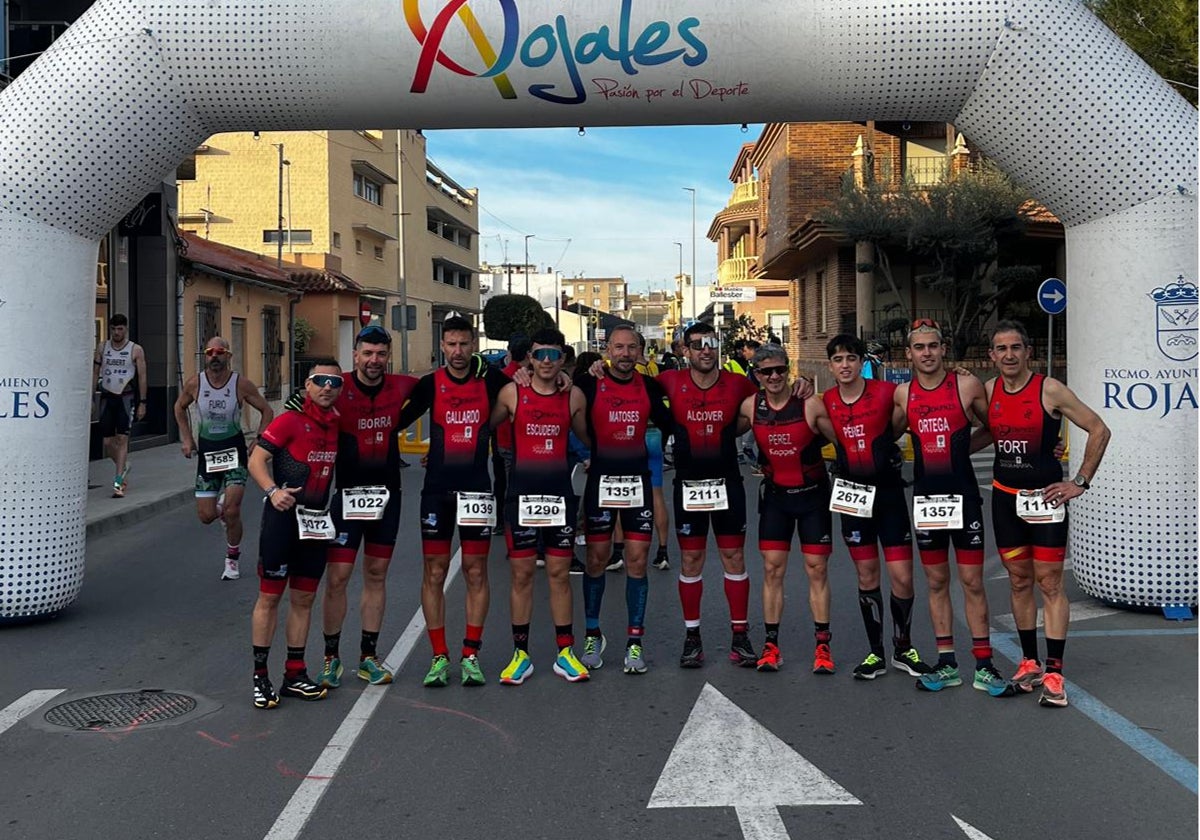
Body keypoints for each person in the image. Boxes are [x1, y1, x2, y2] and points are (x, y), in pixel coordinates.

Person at [974, 320, 1110, 708]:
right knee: (1018, 581)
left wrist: (1079, 482)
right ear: (992, 356)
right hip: (1005, 500)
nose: (1009, 355)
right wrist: (946, 453)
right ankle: (1029, 662)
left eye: (1016, 347)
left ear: (1028, 351)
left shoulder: (1049, 389)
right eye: (1001, 349)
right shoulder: (989, 390)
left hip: (1046, 501)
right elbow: (989, 433)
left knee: (1050, 583)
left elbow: (1099, 429)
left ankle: (1054, 670)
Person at [396, 316, 511, 687]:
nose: (458, 351)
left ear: (473, 345)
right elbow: (392, 418)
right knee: (435, 571)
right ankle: (439, 656)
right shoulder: (430, 384)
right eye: (451, 344)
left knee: (476, 571)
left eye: (464, 344)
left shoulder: (491, 380)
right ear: (442, 346)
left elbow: (527, 390)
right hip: (437, 492)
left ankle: (471, 654)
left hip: (477, 490)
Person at [892, 320, 1006, 693]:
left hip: (965, 497)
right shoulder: (903, 394)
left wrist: (961, 449)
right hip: (927, 500)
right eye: (919, 347)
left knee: (972, 582)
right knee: (937, 582)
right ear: (909, 353)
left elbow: (996, 427)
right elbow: (885, 432)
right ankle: (946, 664)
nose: (927, 353)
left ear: (943, 349)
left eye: (933, 346)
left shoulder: (966, 385)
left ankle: (984, 664)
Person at [812, 334, 932, 680]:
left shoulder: (885, 393)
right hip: (852, 495)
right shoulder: (826, 401)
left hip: (889, 493)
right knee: (866, 575)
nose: (845, 365)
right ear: (830, 365)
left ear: (862, 361)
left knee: (903, 577)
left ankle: (903, 647)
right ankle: (875, 652)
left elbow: (902, 422)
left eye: (852, 358)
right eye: (838, 360)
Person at [310, 324, 420, 690]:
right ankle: (330, 658)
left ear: (389, 357)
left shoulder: (403, 386)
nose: (374, 361)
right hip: (346, 497)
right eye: (367, 353)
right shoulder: (335, 386)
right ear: (355, 355)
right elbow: (300, 408)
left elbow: (450, 384)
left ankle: (368, 657)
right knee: (338, 578)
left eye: (381, 354)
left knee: (376, 575)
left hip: (388, 496)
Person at [489, 327, 591, 684]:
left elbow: (588, 437)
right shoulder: (511, 392)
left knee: (560, 576)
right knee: (521, 576)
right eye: (539, 355)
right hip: (521, 498)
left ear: (563, 358)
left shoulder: (573, 395)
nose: (547, 362)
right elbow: (479, 422)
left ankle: (566, 652)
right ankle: (521, 654)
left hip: (559, 496)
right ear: (529, 359)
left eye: (553, 355)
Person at [656, 323, 759, 668]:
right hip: (688, 485)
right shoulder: (668, 382)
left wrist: (802, 386)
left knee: (734, 559)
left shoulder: (738, 383)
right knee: (690, 562)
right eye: (697, 345)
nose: (705, 350)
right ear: (684, 350)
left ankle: (740, 636)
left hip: (727, 483)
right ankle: (692, 637)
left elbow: (769, 400)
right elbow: (628, 390)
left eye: (711, 344)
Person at [572, 324, 673, 674]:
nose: (625, 354)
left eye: (632, 348)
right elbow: (569, 413)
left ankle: (634, 641)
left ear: (640, 352)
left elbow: (672, 420)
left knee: (637, 561)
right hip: (601, 482)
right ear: (607, 350)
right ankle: (592, 633)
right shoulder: (589, 382)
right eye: (618, 347)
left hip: (638, 484)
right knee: (596, 560)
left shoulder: (649, 386)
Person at [246, 359, 343, 709]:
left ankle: (295, 673)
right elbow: (256, 461)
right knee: (270, 598)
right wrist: (273, 491)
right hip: (282, 521)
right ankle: (260, 677)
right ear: (307, 384)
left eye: (335, 383)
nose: (327, 387)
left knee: (303, 600)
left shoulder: (335, 424)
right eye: (320, 381)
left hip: (315, 523)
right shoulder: (289, 421)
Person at [738, 344, 834, 673]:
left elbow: (844, 442)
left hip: (813, 497)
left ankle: (822, 646)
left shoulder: (809, 404)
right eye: (767, 372)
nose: (775, 376)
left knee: (816, 570)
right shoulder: (751, 406)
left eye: (781, 369)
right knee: (772, 570)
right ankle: (770, 646)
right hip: (777, 498)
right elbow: (719, 428)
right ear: (757, 376)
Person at [173, 336, 274, 581]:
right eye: (210, 352)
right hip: (207, 455)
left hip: (234, 455)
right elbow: (179, 407)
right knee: (207, 516)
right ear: (205, 356)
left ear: (228, 356)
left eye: (220, 352)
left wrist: (259, 440)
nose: (215, 356)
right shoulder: (195, 383)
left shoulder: (240, 384)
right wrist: (187, 438)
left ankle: (232, 559)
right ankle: (219, 509)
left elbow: (267, 411)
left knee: (232, 510)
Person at [93, 314, 147, 497]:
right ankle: (123, 466)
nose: (116, 333)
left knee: (122, 439)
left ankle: (118, 482)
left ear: (125, 329)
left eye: (120, 329)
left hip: (126, 397)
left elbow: (142, 377)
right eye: (113, 329)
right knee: (107, 442)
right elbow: (95, 372)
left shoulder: (135, 349)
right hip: (107, 397)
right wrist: (92, 398)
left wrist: (143, 403)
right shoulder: (102, 347)